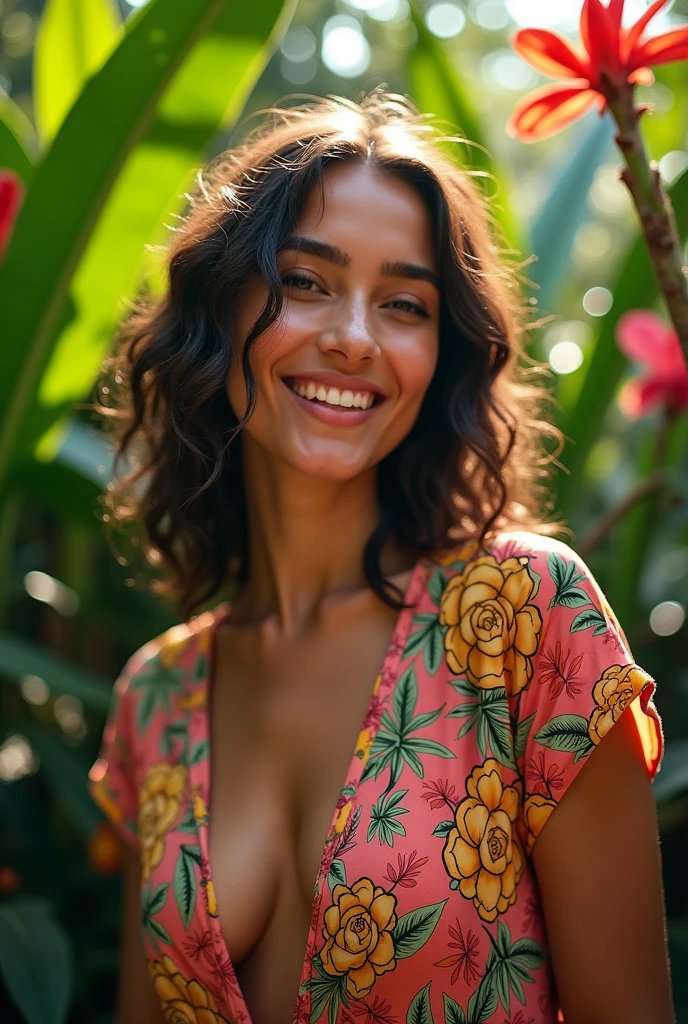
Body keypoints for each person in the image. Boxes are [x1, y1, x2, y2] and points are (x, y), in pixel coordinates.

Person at [88, 89, 673, 1024]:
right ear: (222, 310)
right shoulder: (154, 699)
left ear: (439, 354)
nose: (353, 338)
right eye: (308, 282)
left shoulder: (522, 618)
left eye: (404, 304)